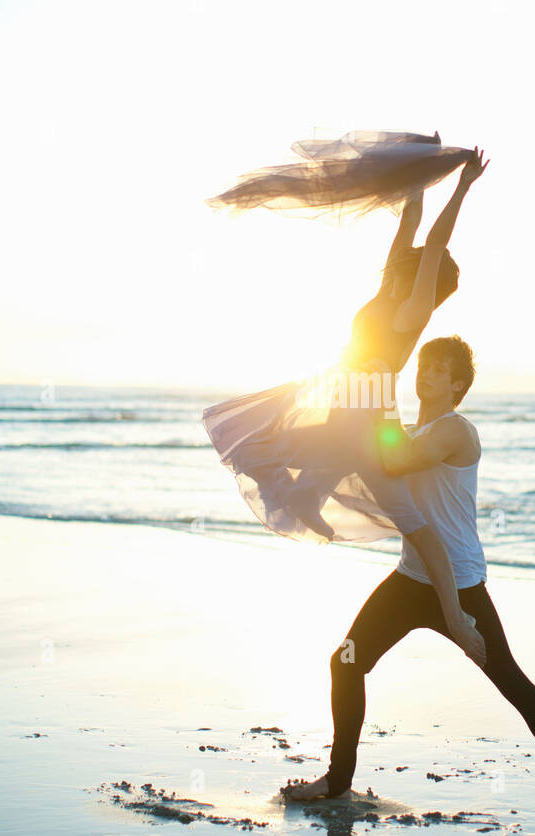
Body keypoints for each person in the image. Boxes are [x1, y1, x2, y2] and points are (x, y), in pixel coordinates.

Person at [282, 335, 535, 831]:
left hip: (460, 585)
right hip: (411, 578)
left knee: (514, 685)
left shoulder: (455, 431)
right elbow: (381, 450)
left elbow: (394, 459)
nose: (426, 372)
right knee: (347, 662)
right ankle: (338, 782)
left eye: (439, 369)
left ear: (458, 384)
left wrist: (380, 400)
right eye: (424, 363)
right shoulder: (421, 428)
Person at [203, 137, 491, 668]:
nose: (417, 261)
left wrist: (462, 189)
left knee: (418, 528)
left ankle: (453, 612)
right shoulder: (387, 293)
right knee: (267, 442)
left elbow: (432, 240)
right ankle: (309, 497)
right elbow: (410, 227)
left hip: (366, 412)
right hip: (349, 400)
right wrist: (418, 181)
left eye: (429, 268)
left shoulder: (413, 312)